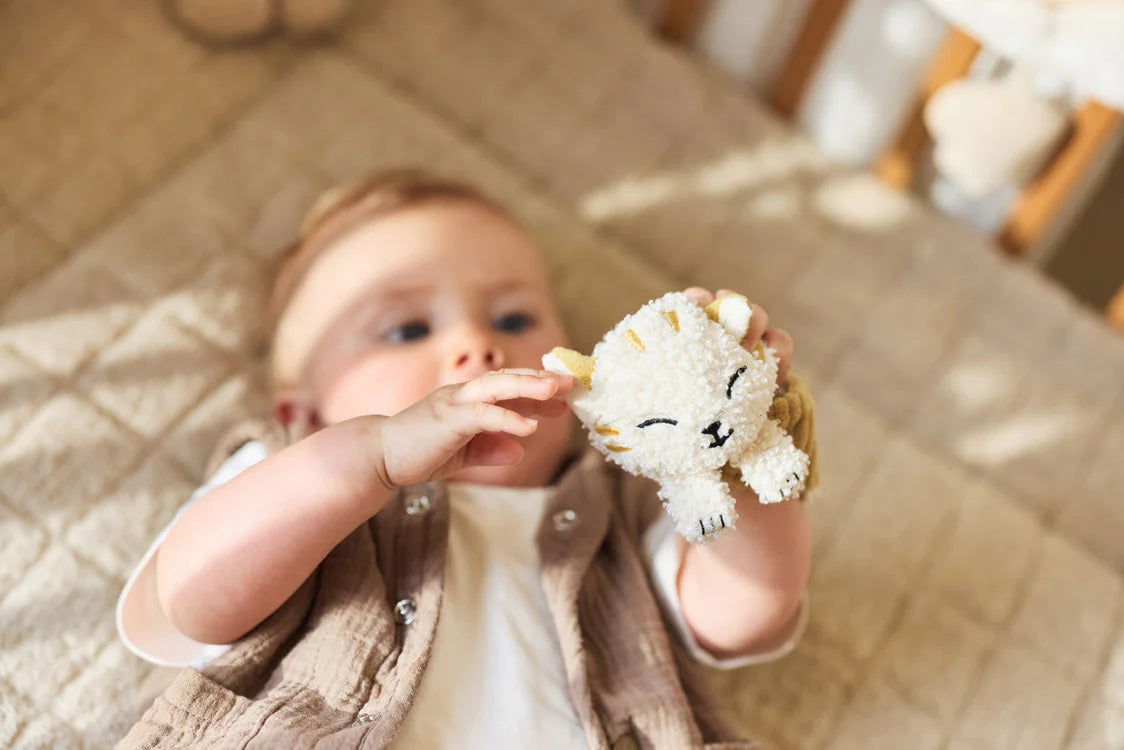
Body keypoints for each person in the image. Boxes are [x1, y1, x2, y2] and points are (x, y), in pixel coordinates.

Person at [115, 168, 818, 749]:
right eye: (406, 330)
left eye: (514, 319)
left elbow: (744, 613)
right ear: (302, 413)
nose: (478, 345)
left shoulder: (620, 502)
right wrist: (371, 457)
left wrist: (733, 437)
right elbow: (189, 602)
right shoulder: (288, 476)